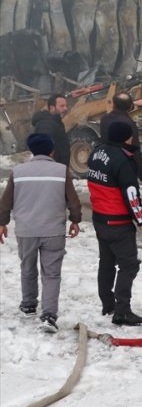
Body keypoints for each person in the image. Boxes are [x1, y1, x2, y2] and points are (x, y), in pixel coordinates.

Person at [0, 133, 82, 332]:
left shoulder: (18, 171)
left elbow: (6, 202)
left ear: (31, 150)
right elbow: (73, 200)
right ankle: (49, 315)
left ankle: (29, 304)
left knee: (27, 267)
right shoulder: (61, 171)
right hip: (53, 230)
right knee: (52, 274)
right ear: (51, 150)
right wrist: (75, 220)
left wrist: (2, 223)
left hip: (26, 230)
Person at [87, 121, 142, 326]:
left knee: (106, 262)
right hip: (118, 221)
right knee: (129, 265)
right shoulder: (123, 159)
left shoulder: (97, 152)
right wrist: (141, 218)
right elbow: (131, 193)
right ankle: (122, 311)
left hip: (99, 218)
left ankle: (108, 303)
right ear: (126, 138)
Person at [100, 91, 142, 185]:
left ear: (113, 104)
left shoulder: (104, 119)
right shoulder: (129, 124)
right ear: (130, 107)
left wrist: (133, 103)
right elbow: (134, 153)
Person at [31, 94, 70, 165]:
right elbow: (43, 150)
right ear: (52, 108)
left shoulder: (56, 122)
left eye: (66, 106)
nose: (65, 108)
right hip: (52, 168)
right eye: (62, 106)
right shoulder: (46, 124)